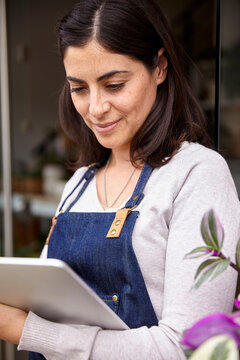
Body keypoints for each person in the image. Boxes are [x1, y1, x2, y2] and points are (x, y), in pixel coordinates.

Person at [0, 0, 240, 359]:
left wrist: (25, 330)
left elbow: (189, 350)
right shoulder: (79, 183)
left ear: (159, 67)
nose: (95, 108)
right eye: (79, 88)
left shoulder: (197, 174)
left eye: (113, 84)